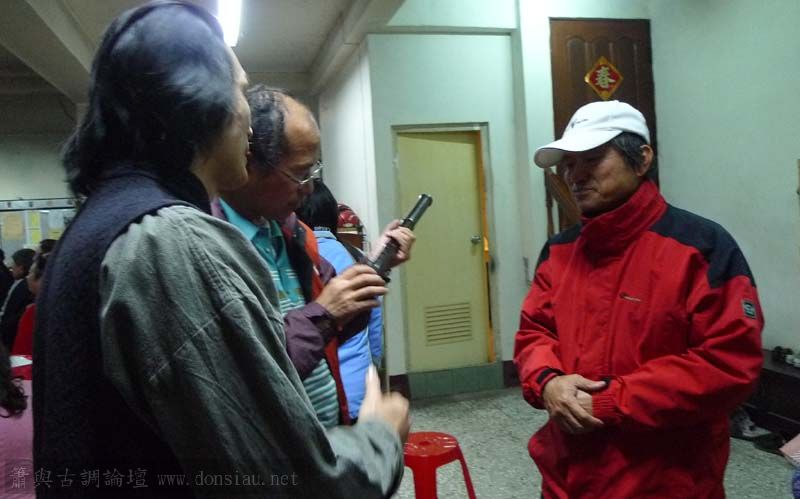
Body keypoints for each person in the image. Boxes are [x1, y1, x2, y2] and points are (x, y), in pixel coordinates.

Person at [34, 2, 408, 497]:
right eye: (237, 90)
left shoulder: (95, 227)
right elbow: (285, 483)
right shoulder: (170, 241)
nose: (247, 122)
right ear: (198, 104)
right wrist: (380, 437)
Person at [514, 100, 763, 498]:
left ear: (642, 159)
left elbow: (728, 362)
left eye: (592, 159)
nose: (576, 175)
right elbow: (535, 333)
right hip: (568, 478)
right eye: (569, 164)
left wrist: (612, 400)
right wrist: (548, 383)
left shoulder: (701, 247)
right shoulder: (560, 250)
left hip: (665, 482)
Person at [214, 85, 413, 428]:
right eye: (299, 173)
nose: (308, 188)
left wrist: (377, 265)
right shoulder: (210, 246)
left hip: (322, 437)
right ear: (249, 161)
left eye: (313, 171)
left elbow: (342, 324)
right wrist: (326, 313)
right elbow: (250, 372)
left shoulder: (294, 233)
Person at [297, 179, 384, 422]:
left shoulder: (299, 255)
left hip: (318, 393)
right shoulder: (354, 255)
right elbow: (374, 322)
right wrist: (373, 367)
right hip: (358, 387)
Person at [11, 251, 48, 356]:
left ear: (41, 278)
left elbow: (21, 351)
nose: (27, 277)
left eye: (31, 273)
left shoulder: (34, 311)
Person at [0, 248, 35, 349]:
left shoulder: (23, 286)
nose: (11, 268)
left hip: (8, 338)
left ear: (21, 268)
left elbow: (10, 315)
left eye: (14, 265)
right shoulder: (19, 283)